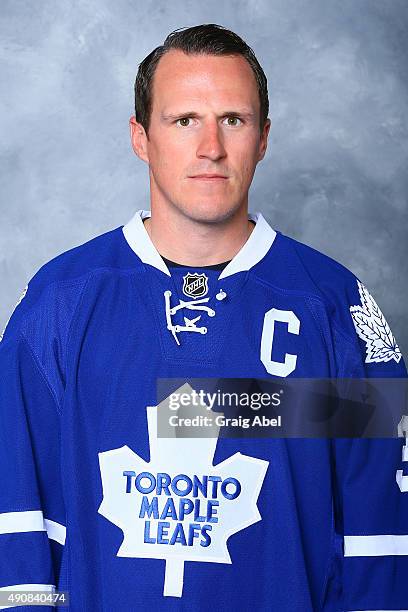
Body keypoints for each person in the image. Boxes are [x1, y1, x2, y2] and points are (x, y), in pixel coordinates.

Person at [0, 23, 407, 612]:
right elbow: (16, 515)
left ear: (264, 137)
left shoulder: (337, 307)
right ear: (141, 137)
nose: (210, 147)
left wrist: (213, 407)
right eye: (184, 120)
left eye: (233, 120)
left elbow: (383, 539)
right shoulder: (58, 303)